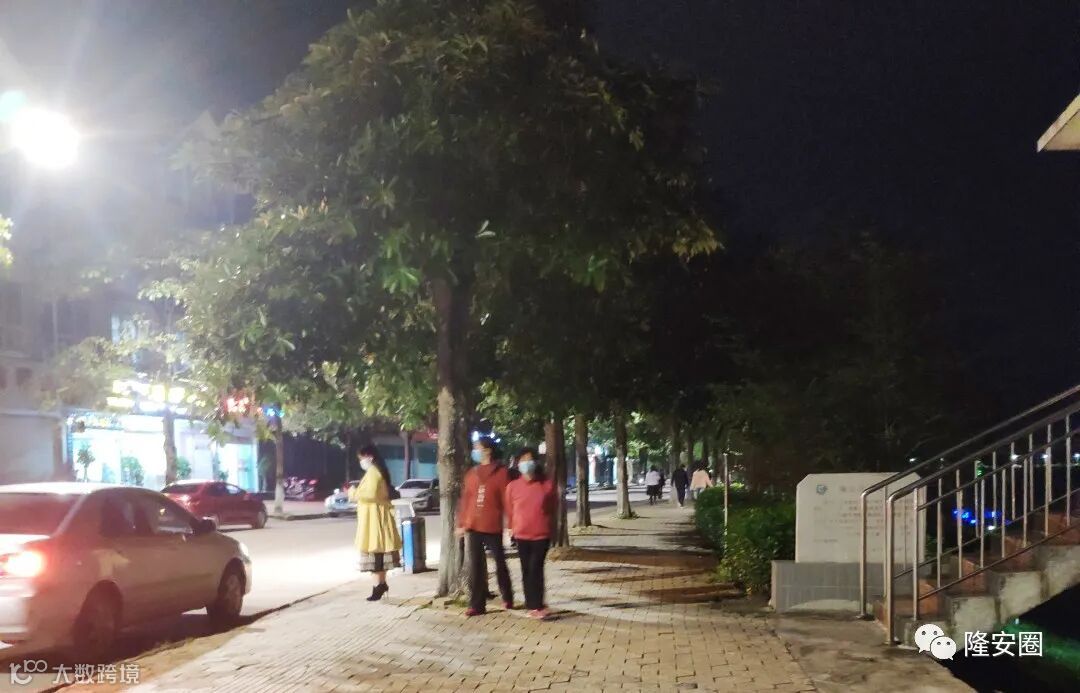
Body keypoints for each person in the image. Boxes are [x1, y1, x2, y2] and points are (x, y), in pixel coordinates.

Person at [456, 436, 513, 616]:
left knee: (499, 561)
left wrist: (511, 523)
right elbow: (466, 500)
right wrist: (461, 523)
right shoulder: (471, 474)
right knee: (476, 566)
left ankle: (507, 595)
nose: (475, 451)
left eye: (478, 448)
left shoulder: (501, 472)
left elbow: (507, 500)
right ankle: (477, 604)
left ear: (488, 451)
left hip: (492, 524)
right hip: (473, 525)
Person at [504, 448, 556, 619]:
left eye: (530, 459)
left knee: (536, 568)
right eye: (523, 460)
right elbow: (510, 510)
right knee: (526, 569)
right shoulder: (513, 486)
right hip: (521, 535)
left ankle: (537, 604)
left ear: (536, 462)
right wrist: (511, 527)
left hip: (541, 534)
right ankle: (532, 604)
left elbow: (552, 508)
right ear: (518, 464)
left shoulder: (546, 485)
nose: (526, 463)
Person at [348, 445, 402, 601]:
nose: (361, 461)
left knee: (375, 552)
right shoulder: (377, 471)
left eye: (361, 458)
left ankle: (378, 586)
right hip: (375, 517)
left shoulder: (373, 472)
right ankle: (381, 584)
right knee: (379, 552)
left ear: (369, 457)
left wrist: (352, 492)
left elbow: (370, 494)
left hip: (374, 518)